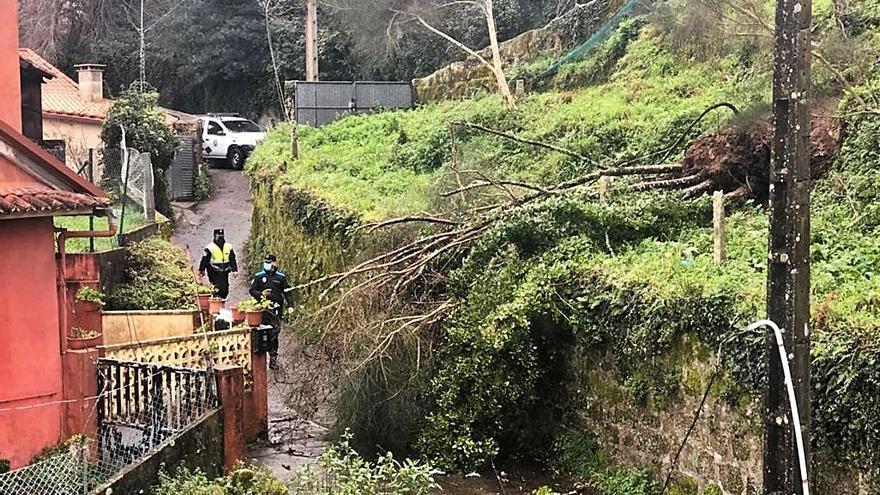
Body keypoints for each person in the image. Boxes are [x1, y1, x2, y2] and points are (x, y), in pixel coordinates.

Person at [249, 254, 295, 369]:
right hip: (262, 310)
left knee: (274, 333)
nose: (267, 264)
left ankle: (273, 359)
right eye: (266, 262)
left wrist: (290, 305)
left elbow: (287, 292)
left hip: (276, 310)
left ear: (275, 263)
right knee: (260, 334)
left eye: (270, 262)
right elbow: (252, 291)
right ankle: (259, 359)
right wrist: (261, 294)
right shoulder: (259, 276)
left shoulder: (280, 277)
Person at [199, 228, 238, 299]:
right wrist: (201, 270)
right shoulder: (210, 247)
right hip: (213, 271)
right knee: (217, 288)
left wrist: (235, 270)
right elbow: (204, 260)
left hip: (225, 270)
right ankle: (216, 304)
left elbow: (232, 258)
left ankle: (221, 303)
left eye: (222, 235)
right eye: (218, 235)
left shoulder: (228, 246)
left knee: (225, 289)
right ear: (215, 236)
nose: (220, 237)